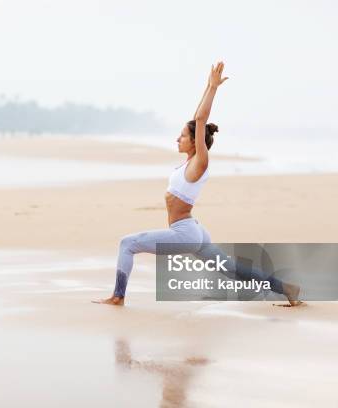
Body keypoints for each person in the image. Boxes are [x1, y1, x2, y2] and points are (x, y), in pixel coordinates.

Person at [93, 61, 303, 307]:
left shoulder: (200, 163)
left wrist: (213, 89)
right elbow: (196, 120)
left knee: (127, 243)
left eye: (182, 136)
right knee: (231, 271)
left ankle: (118, 297)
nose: (177, 139)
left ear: (195, 142)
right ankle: (286, 288)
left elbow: (200, 121)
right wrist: (207, 86)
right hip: (194, 230)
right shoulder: (190, 162)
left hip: (185, 232)